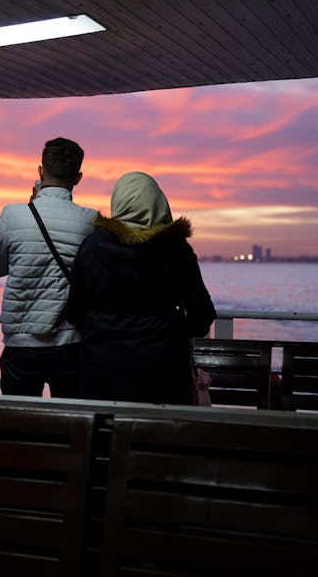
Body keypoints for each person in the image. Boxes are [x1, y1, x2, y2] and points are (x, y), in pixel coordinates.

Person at [64, 171, 216, 404]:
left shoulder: (92, 247)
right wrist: (172, 329)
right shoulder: (176, 249)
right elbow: (202, 315)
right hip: (163, 379)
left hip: (101, 378)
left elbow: (73, 313)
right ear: (159, 202)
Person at [0, 137, 97, 396]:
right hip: (70, 344)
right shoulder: (90, 221)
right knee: (72, 424)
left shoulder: (12, 214)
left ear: (40, 171)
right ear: (77, 178)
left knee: (19, 423)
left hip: (22, 346)